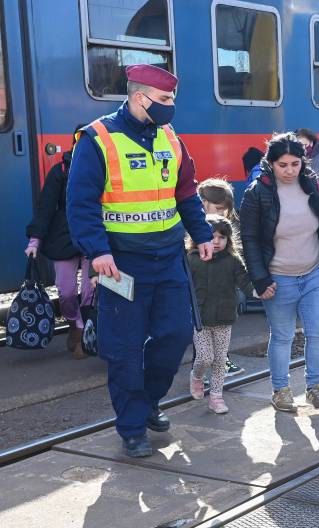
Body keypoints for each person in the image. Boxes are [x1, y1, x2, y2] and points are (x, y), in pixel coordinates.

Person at [66, 64, 213, 458]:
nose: (171, 107)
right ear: (139, 97)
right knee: (125, 348)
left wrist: (201, 234)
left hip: (167, 260)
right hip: (120, 265)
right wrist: (98, 251)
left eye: (172, 100)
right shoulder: (97, 140)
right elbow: (81, 204)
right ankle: (132, 427)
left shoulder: (169, 138)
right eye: (165, 100)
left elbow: (186, 193)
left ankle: (147, 400)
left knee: (177, 335)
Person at [240, 133, 319, 413]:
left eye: (295, 164)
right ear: (271, 163)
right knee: (283, 336)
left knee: (318, 331)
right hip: (278, 278)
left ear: (302, 161)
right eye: (282, 165)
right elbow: (249, 238)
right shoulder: (257, 192)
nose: (289, 170)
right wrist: (260, 279)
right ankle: (281, 390)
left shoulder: (313, 184)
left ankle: (315, 388)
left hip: (313, 274)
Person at [25, 125, 94, 359]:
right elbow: (45, 207)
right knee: (65, 291)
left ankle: (84, 331)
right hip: (63, 235)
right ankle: (74, 321)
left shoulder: (102, 169)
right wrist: (35, 240)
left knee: (90, 289)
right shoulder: (60, 171)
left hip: (93, 232)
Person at [187, 214, 252, 414]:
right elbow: (182, 285)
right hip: (201, 319)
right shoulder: (191, 259)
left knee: (220, 360)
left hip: (224, 318)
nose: (216, 241)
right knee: (205, 357)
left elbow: (245, 282)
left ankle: (216, 397)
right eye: (211, 236)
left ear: (228, 240)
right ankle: (196, 377)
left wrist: (260, 291)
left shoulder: (232, 260)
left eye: (221, 237)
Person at [196, 178, 247, 376]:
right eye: (217, 208)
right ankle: (204, 371)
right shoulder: (197, 225)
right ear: (203, 203)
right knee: (203, 333)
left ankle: (222, 360)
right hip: (201, 291)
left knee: (221, 329)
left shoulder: (226, 226)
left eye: (224, 210)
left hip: (223, 288)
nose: (222, 214)